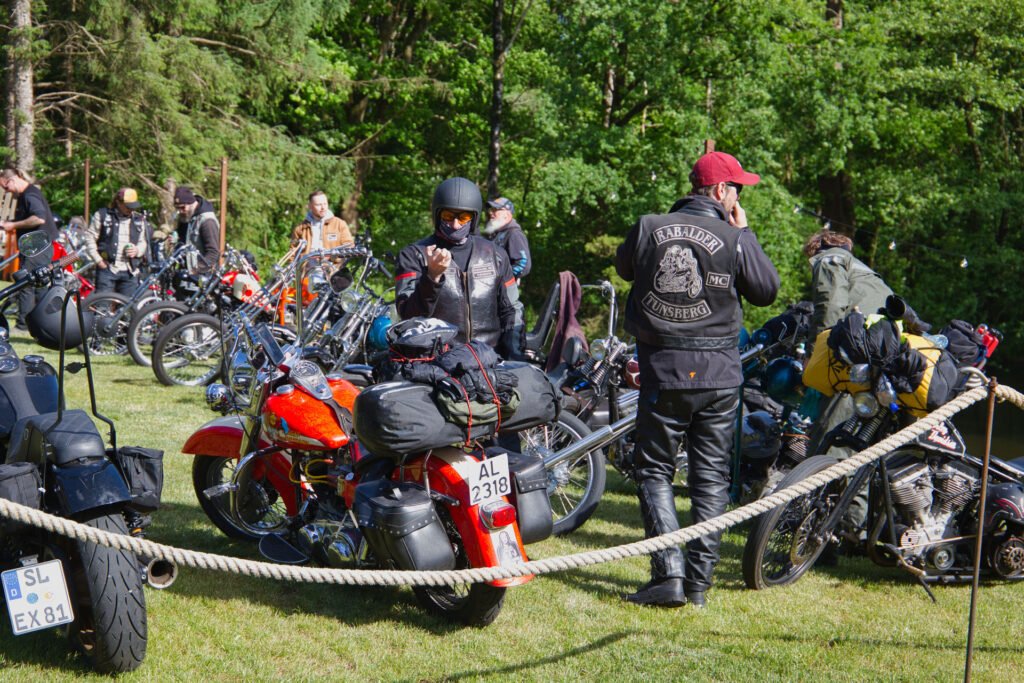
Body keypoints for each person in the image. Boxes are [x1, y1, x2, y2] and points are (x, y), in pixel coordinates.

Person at [615, 151, 780, 608]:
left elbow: (624, 268)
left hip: (664, 372)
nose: (740, 197)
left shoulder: (649, 226)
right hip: (719, 377)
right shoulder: (735, 236)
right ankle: (698, 589)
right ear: (722, 192)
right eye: (738, 189)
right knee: (710, 478)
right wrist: (742, 230)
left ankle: (667, 575)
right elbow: (767, 290)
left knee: (655, 470)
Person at [395, 177, 524, 359]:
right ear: (437, 214)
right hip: (437, 363)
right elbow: (408, 316)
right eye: (448, 216)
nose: (455, 225)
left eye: (463, 217)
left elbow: (512, 310)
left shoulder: (495, 255)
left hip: (488, 361)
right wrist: (431, 278)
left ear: (474, 218)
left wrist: (514, 358)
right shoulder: (414, 255)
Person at [804, 229, 893, 350]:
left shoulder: (827, 259)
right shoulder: (862, 269)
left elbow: (830, 306)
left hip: (862, 338)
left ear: (813, 251)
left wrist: (815, 351)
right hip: (890, 338)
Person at [0, 168, 59, 327]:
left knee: (26, 282)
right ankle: (43, 322)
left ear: (11, 180)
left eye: (6, 187)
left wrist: (12, 224)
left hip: (37, 247)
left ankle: (23, 324)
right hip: (38, 246)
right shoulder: (27, 194)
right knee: (40, 285)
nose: (7, 191)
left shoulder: (29, 195)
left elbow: (38, 218)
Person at [85, 187, 152, 295]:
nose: (131, 210)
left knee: (127, 308)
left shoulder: (139, 219)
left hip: (130, 271)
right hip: (107, 268)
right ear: (118, 202)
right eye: (128, 207)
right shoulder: (103, 215)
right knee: (102, 306)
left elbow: (143, 242)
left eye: (133, 207)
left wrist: (137, 250)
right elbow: (89, 237)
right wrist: (98, 260)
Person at [291, 190, 355, 291]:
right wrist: (294, 272)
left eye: (325, 203)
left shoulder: (339, 224)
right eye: (318, 205)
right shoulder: (301, 228)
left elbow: (349, 247)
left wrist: (333, 257)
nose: (323, 207)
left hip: (333, 275)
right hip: (307, 276)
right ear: (310, 206)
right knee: (303, 305)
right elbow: (292, 253)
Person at [173, 186, 221, 273]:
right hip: (186, 273)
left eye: (182, 207)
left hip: (202, 277)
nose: (180, 211)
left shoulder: (207, 221)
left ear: (192, 204)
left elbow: (213, 253)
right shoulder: (188, 218)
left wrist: (196, 270)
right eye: (177, 208)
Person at [483, 197, 531, 282]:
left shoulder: (514, 234)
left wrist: (502, 279)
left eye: (495, 210)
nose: (491, 212)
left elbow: (524, 264)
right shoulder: (497, 233)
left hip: (504, 292)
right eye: (491, 209)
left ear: (507, 214)